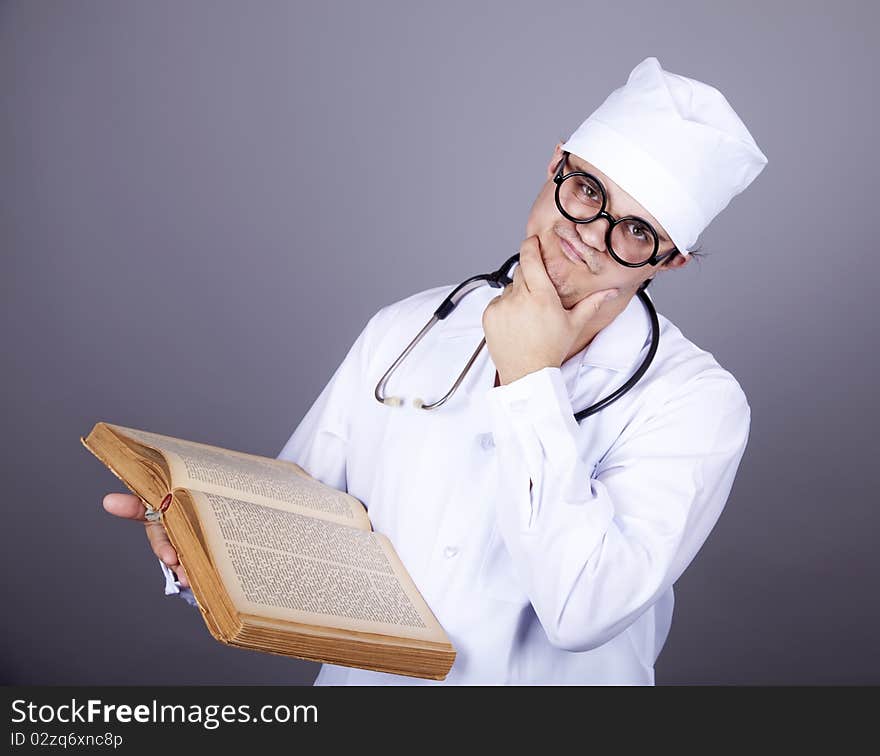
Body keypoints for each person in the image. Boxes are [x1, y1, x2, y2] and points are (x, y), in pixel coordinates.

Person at [103, 56, 768, 685]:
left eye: (635, 230)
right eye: (587, 188)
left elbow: (582, 610)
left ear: (669, 261)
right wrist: (198, 540)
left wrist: (530, 379)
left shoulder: (696, 403)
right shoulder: (409, 328)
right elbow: (297, 533)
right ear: (556, 164)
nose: (591, 232)